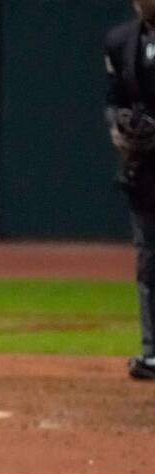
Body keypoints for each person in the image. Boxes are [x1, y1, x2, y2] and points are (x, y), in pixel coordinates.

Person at [106, 0, 155, 379]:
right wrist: (119, 128)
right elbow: (115, 100)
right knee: (147, 256)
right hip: (144, 167)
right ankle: (152, 351)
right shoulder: (122, 41)